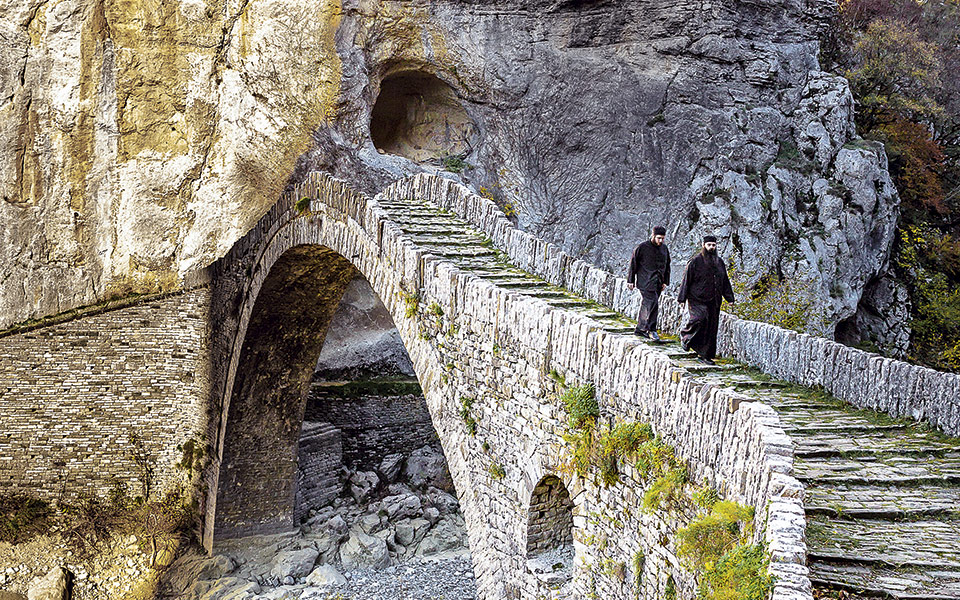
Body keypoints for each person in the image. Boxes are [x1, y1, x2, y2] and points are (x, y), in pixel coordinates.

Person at [677, 235, 734, 364]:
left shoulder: (719, 262)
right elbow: (686, 280)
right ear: (704, 245)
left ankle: (705, 356)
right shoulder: (695, 262)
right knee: (699, 319)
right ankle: (686, 337)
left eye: (713, 245)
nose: (711, 248)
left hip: (714, 300)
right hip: (696, 299)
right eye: (709, 245)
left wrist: (730, 298)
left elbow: (725, 281)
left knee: (711, 328)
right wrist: (682, 298)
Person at [627, 226, 670, 341]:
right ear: (653, 235)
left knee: (647, 304)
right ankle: (651, 329)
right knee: (653, 302)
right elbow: (633, 264)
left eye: (662, 238)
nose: (660, 241)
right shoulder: (642, 247)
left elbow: (667, 265)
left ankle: (640, 329)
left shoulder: (664, 249)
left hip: (658, 282)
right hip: (645, 281)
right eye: (659, 238)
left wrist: (666, 281)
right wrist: (630, 280)